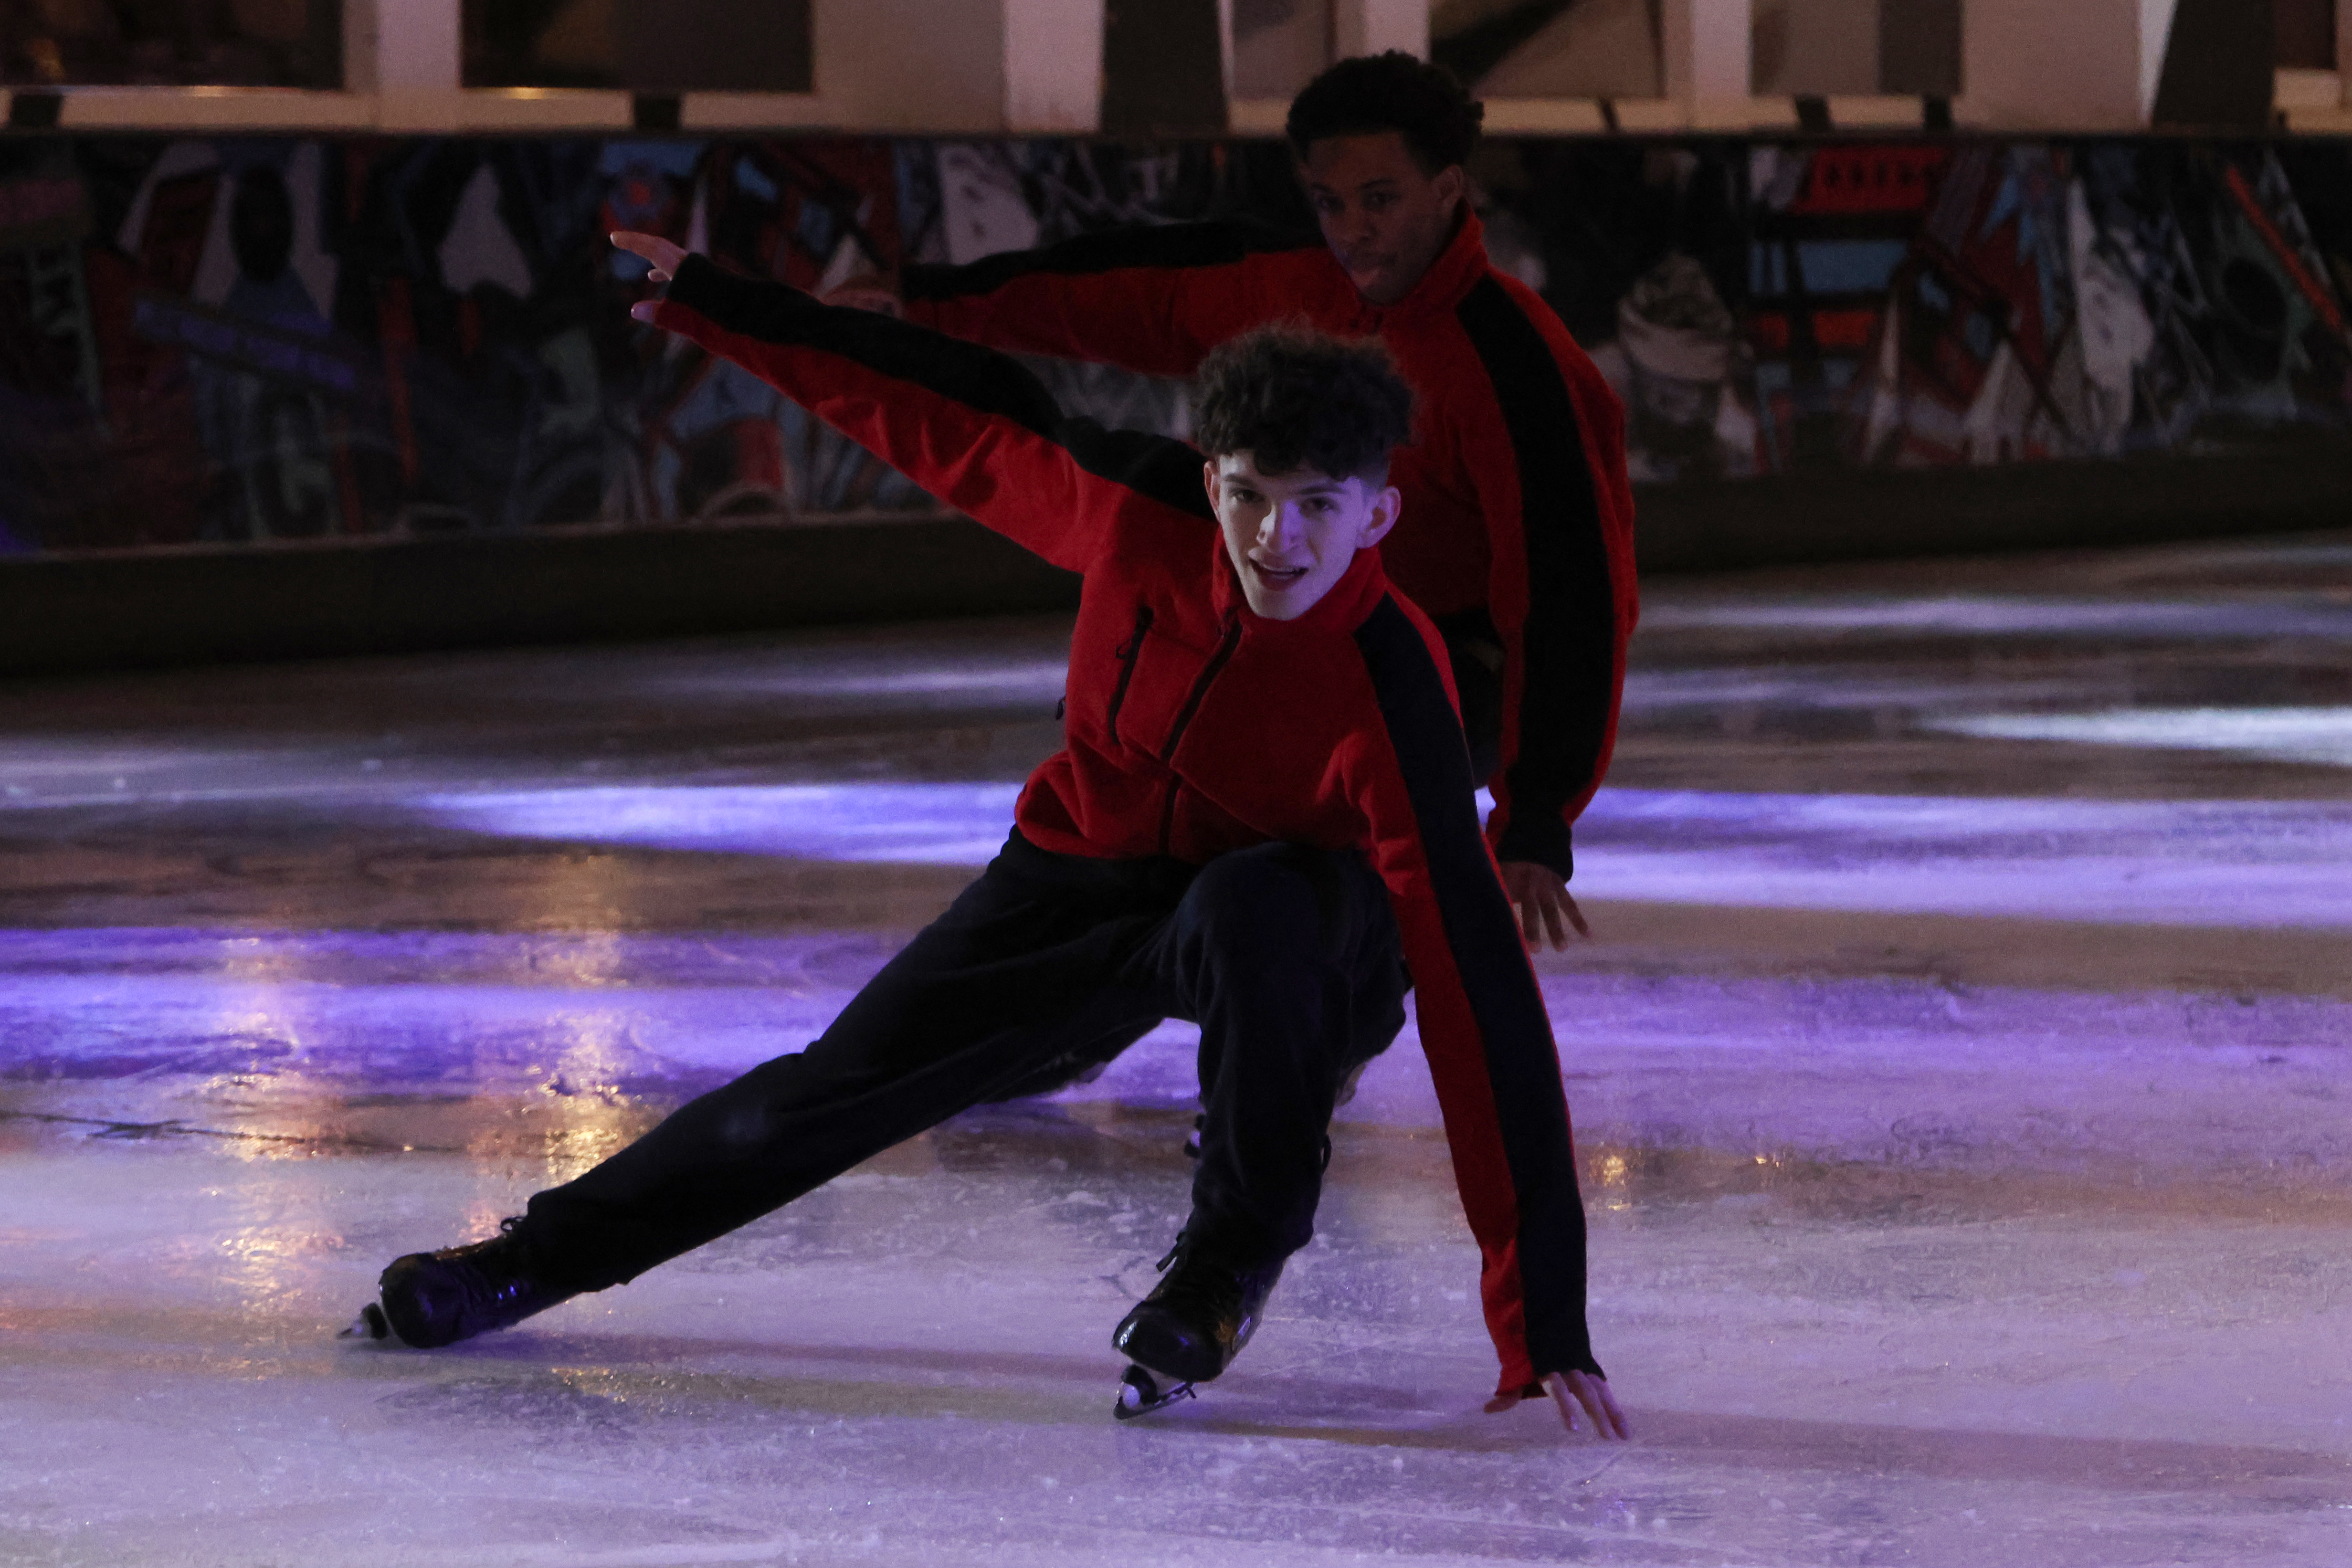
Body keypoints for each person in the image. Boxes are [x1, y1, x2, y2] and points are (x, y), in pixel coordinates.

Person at [351, 229, 1628, 1441]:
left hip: (1301, 936)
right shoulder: (1135, 516)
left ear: (1380, 516)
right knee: (825, 1091)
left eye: (1314, 507)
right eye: (1247, 496)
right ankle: (526, 1261)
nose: (1272, 541)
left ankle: (1223, 1271)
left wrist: (1542, 1314)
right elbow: (948, 411)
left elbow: (1474, 983)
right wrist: (729, 307)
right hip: (1080, 882)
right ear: (1209, 479)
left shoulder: (1395, 680)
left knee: (1259, 904)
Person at [830, 51, 1638, 958]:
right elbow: (1120, 294)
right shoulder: (1290, 286)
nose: (1354, 232)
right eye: (1331, 204)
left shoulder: (1522, 370)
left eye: (1381, 199)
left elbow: (1573, 598)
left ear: (1450, 187)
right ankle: (1090, 956)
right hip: (1296, 621)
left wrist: (1536, 819)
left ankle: (1333, 975)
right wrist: (925, 306)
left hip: (1445, 664)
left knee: (1288, 795)